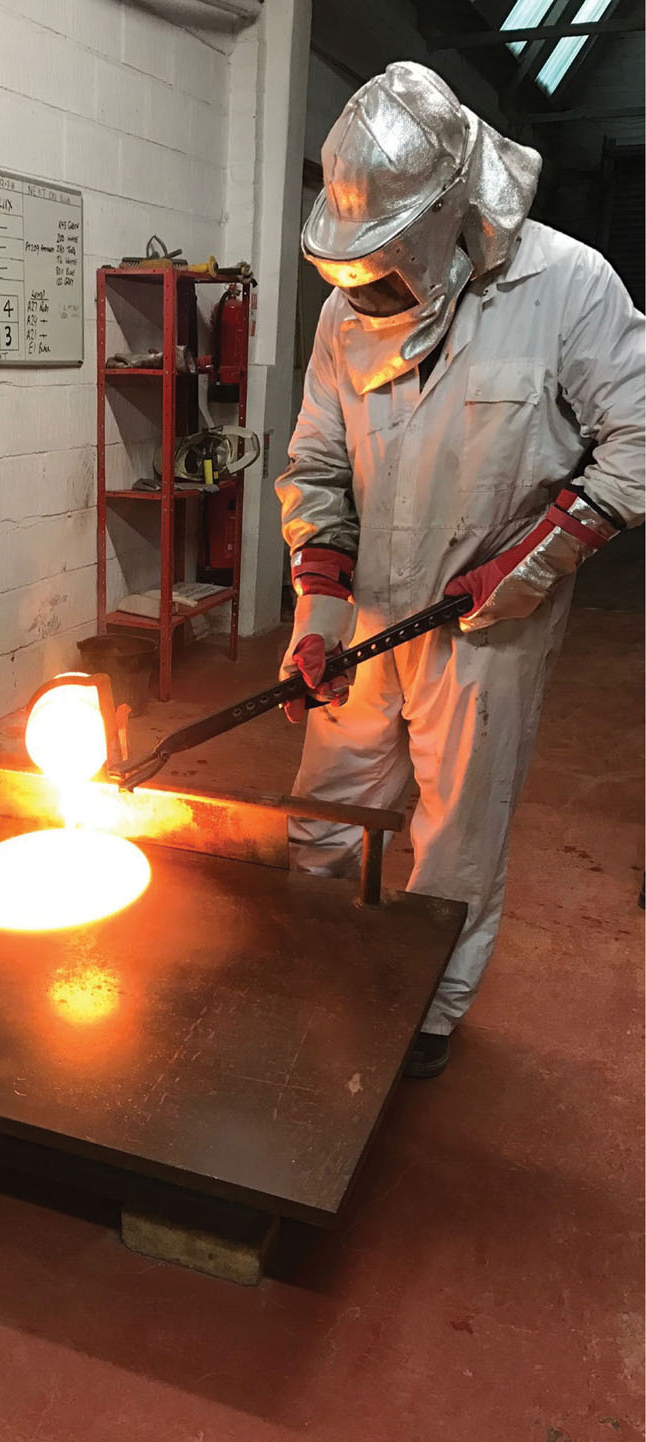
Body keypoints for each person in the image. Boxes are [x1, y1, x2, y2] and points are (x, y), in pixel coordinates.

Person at [275, 61, 644, 1078]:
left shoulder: (564, 288)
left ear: (443, 217)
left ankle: (425, 1018)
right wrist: (316, 610)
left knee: (452, 842)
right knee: (321, 820)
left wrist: (532, 560)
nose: (366, 292)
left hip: (486, 631)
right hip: (364, 623)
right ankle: (310, 969)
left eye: (385, 265)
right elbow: (312, 463)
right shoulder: (345, 317)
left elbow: (637, 440)